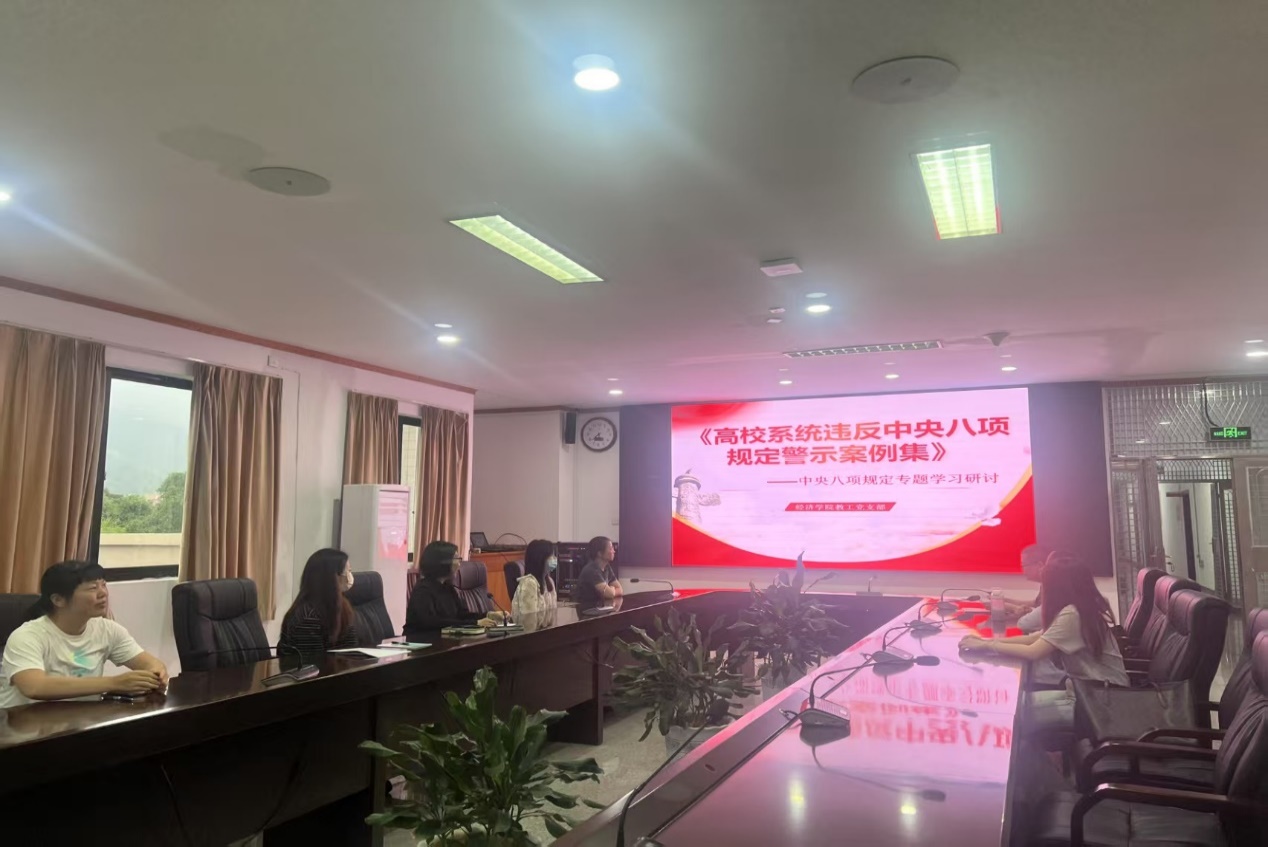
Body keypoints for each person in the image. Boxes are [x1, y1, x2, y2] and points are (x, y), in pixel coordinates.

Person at [960, 558, 1127, 729]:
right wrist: (986, 642)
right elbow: (1034, 638)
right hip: (1092, 692)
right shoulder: (1080, 607)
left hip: (1101, 701)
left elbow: (1033, 651)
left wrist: (987, 646)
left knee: (1016, 715)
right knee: (1015, 705)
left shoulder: (1072, 614)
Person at [0, 560, 169, 709]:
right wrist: (115, 683)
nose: (103, 593)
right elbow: (34, 686)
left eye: (103, 585)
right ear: (58, 600)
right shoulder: (27, 636)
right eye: (93, 588)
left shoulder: (108, 630)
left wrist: (156, 674)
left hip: (80, 723)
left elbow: (150, 663)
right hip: (22, 727)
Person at [279, 548, 360, 660]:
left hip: (340, 668)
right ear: (329, 578)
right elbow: (315, 663)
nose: (348, 577)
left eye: (350, 571)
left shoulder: (342, 606)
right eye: (345, 572)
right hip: (314, 670)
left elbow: (350, 650)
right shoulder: (307, 617)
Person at [404, 541, 484, 639]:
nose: (459, 564)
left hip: (445, 640)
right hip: (422, 642)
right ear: (442, 562)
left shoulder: (448, 588)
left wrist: (487, 616)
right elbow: (431, 622)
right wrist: (475, 623)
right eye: (456, 558)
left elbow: (462, 615)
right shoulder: (423, 590)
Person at [511, 539, 559, 633]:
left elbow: (552, 617)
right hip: (528, 637)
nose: (554, 559)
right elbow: (529, 625)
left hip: (545, 633)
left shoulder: (549, 581)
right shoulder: (529, 583)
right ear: (540, 558)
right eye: (551, 556)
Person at [573, 536, 621, 610]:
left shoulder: (607, 567)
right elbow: (609, 594)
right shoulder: (591, 570)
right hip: (588, 612)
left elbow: (620, 590)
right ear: (599, 553)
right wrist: (611, 591)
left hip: (599, 609)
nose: (613, 551)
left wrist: (611, 591)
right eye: (610, 548)